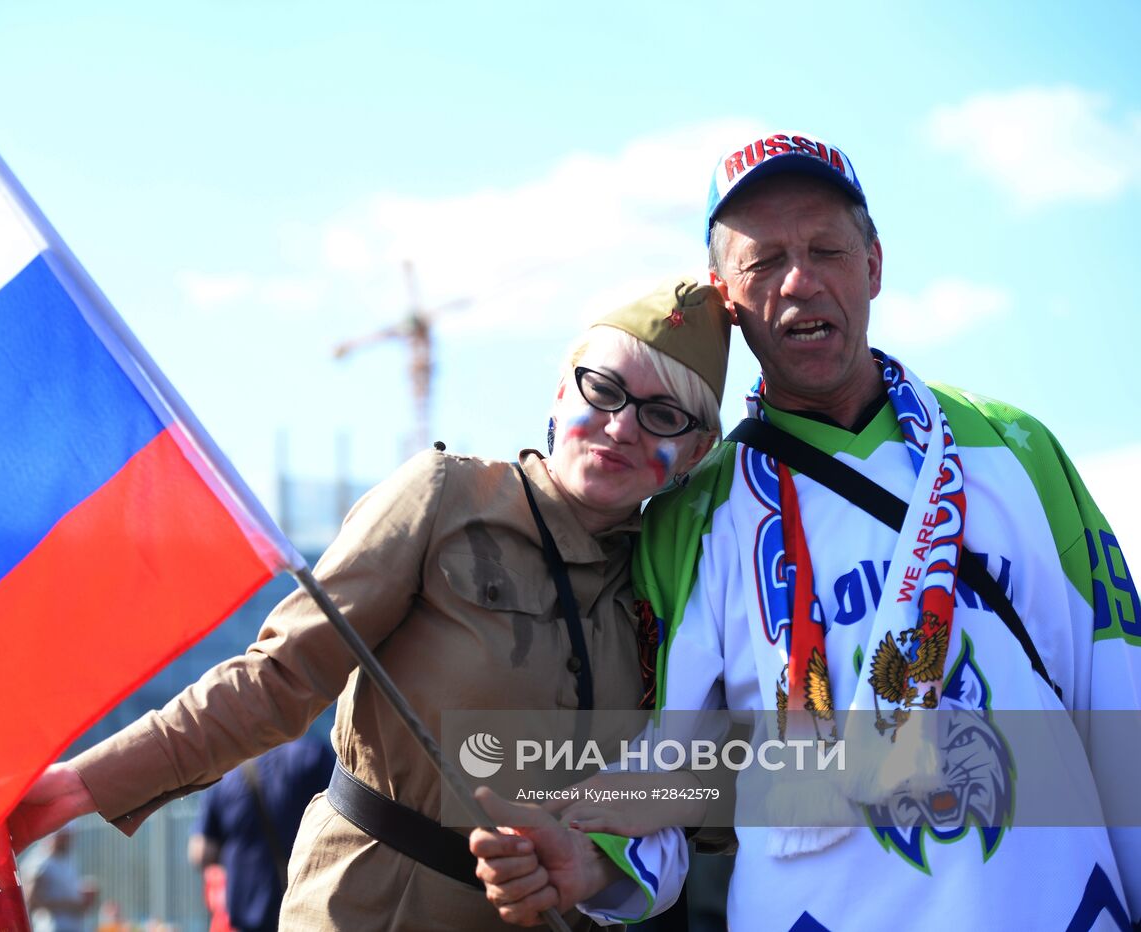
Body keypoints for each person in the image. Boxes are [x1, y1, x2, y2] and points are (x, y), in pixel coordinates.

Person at [470, 131, 1141, 930]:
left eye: (827, 249)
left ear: (875, 266)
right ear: (726, 295)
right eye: (764, 262)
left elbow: (1120, 700)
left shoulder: (1014, 447)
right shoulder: (689, 515)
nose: (801, 281)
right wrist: (595, 861)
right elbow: (673, 773)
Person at [7, 278, 732, 931]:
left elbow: (712, 789)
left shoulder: (679, 587)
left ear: (698, 450)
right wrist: (81, 785)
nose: (622, 425)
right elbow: (277, 680)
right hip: (370, 907)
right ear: (560, 394)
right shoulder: (446, 497)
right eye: (603, 389)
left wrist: (600, 865)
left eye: (662, 414)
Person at [187, 735, 335, 931]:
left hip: (246, 915)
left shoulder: (227, 772)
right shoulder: (313, 755)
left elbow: (201, 852)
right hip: (305, 912)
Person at [26, 828, 99, 932]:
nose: (69, 839)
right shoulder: (42, 862)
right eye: (65, 835)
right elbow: (30, 900)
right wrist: (70, 905)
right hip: (52, 928)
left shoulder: (67, 860)